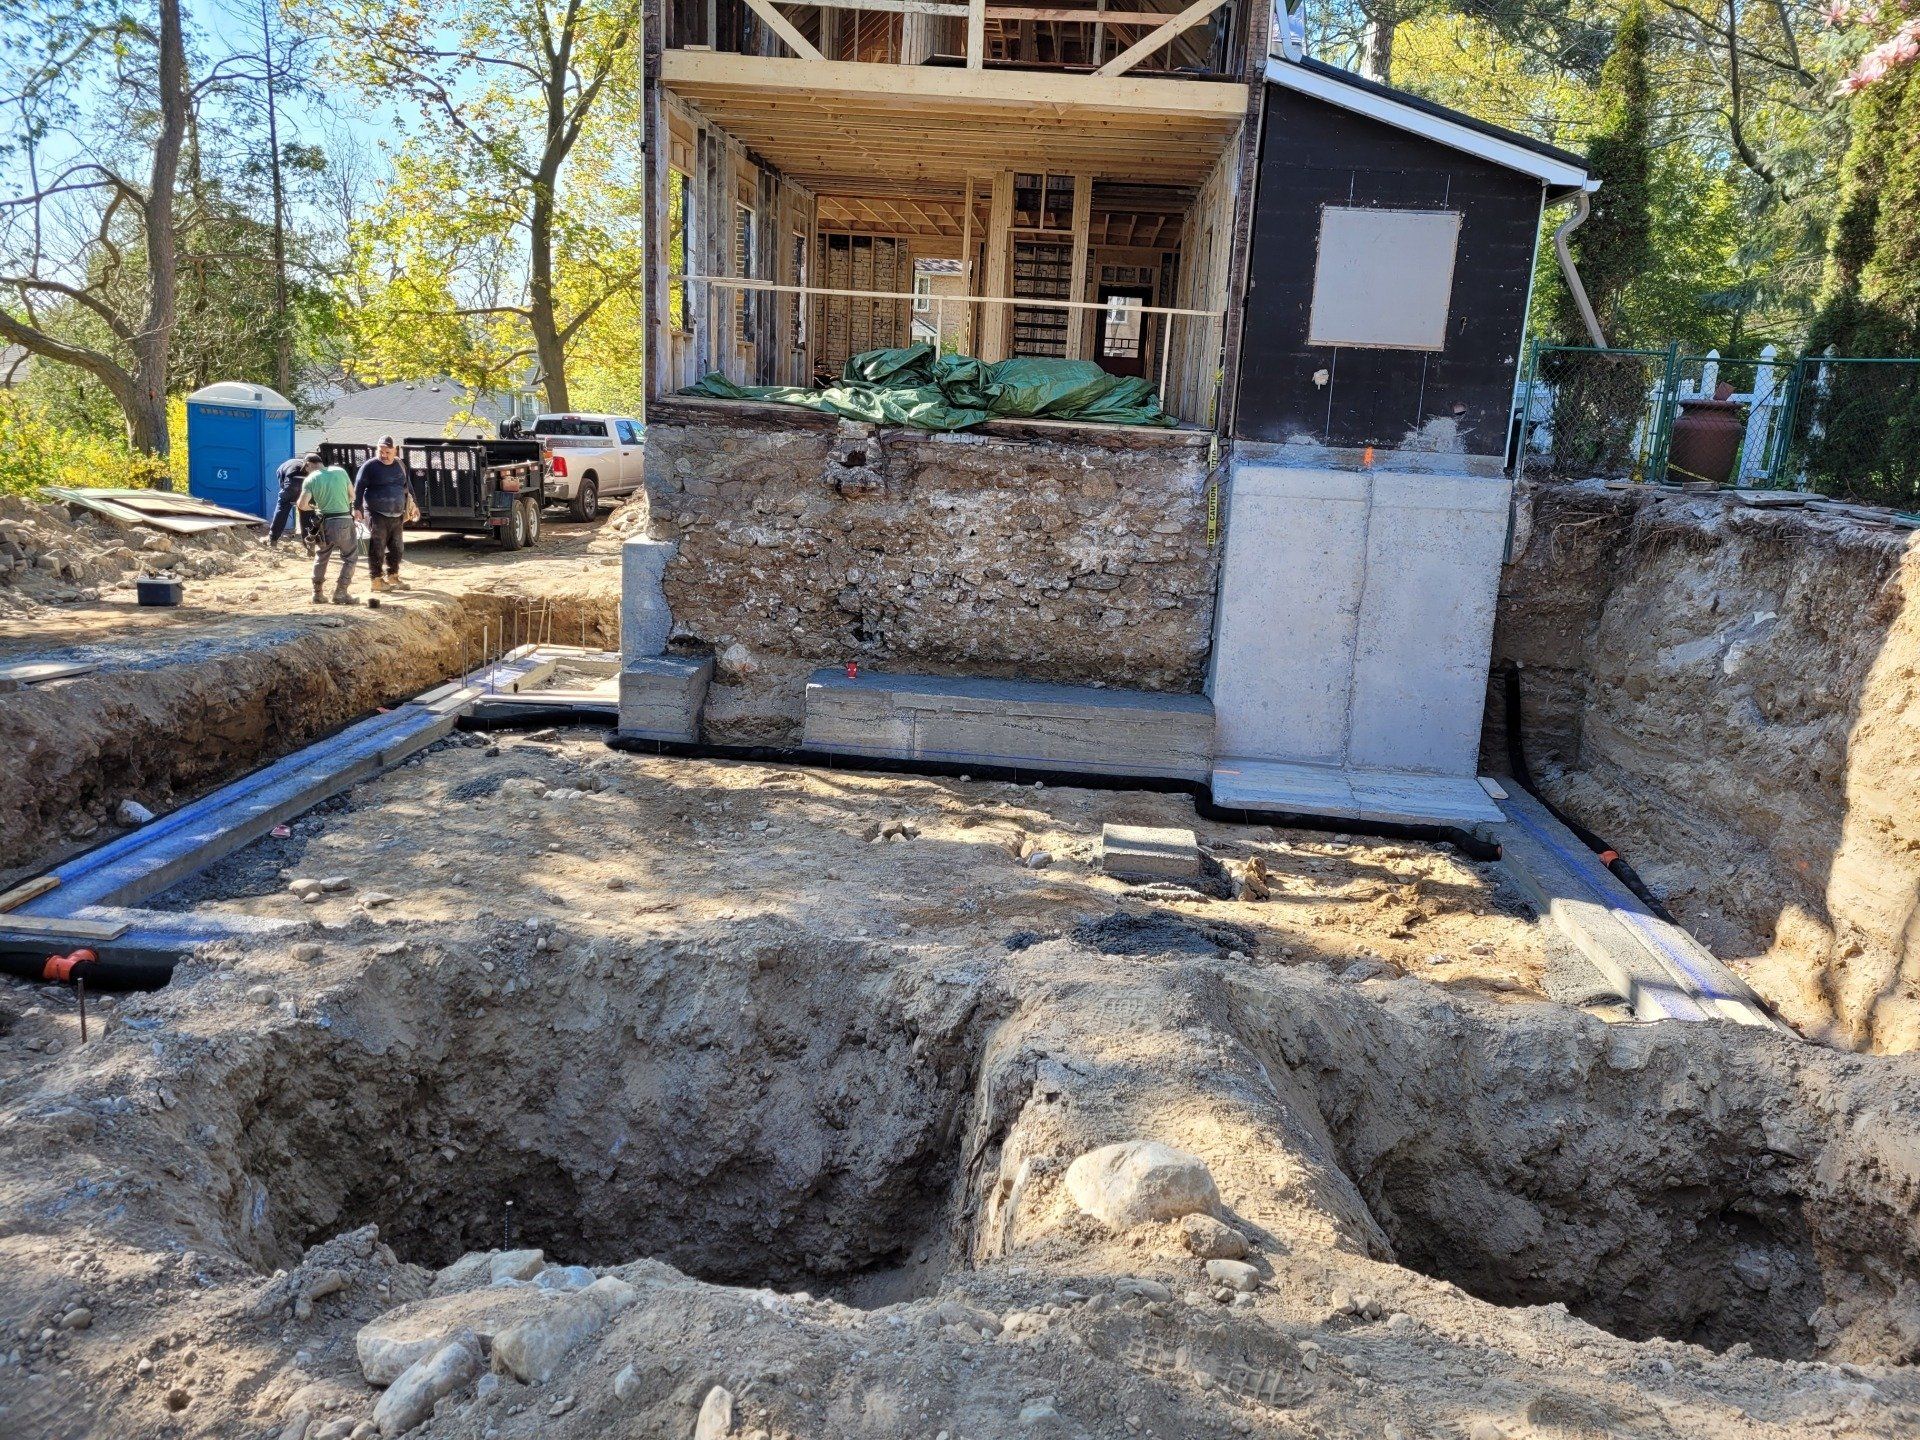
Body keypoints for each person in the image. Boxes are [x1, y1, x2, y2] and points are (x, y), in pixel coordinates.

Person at [353, 436, 415, 593]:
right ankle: (376, 580)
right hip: (376, 513)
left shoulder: (400, 465)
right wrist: (357, 507)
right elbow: (358, 487)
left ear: (395, 450)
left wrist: (414, 506)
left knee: (397, 548)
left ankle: (393, 576)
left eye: (387, 451)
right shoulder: (370, 466)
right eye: (381, 451)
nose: (384, 455)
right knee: (377, 547)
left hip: (397, 514)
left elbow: (408, 486)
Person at [298, 457, 359, 605]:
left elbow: (302, 505)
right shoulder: (340, 471)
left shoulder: (310, 479)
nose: (306, 472)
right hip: (344, 520)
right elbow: (353, 496)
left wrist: (316, 506)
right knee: (350, 557)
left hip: (324, 523)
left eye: (306, 469)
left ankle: (317, 594)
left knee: (322, 556)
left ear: (308, 465)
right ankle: (341, 592)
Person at [269, 452, 320, 548]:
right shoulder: (310, 467)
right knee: (306, 513)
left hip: (291, 483)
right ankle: (308, 544)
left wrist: (288, 494)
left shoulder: (284, 466)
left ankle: (273, 539)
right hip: (304, 482)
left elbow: (282, 483)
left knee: (282, 508)